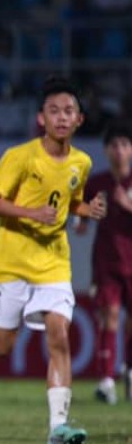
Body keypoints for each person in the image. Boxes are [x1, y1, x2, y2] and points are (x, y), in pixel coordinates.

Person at [0, 76, 107, 444]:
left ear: (80, 120)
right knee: (2, 345)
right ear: (41, 119)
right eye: (54, 111)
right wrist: (31, 212)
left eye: (69, 111)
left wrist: (87, 209)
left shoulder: (82, 163)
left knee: (59, 335)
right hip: (13, 263)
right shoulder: (20, 157)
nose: (62, 118)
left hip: (53, 264)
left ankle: (58, 427)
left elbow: (70, 202)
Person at [75, 121, 132, 404]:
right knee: (108, 317)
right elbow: (80, 210)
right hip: (106, 264)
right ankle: (107, 380)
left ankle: (129, 372)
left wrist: (127, 205)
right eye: (114, 146)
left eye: (124, 145)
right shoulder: (97, 184)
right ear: (106, 150)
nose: (119, 151)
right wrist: (81, 220)